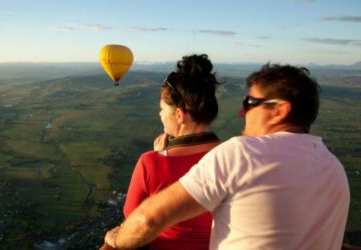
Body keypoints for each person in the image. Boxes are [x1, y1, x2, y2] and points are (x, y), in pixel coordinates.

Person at [104, 63, 350, 250]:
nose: (242, 111)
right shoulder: (334, 168)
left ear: (278, 110)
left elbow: (146, 220)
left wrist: (114, 239)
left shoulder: (242, 154)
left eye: (251, 102)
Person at [122, 54, 221, 250]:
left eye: (162, 109)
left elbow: (133, 220)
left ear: (179, 114)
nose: (160, 115)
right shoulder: (234, 157)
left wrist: (158, 157)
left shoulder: (150, 163)